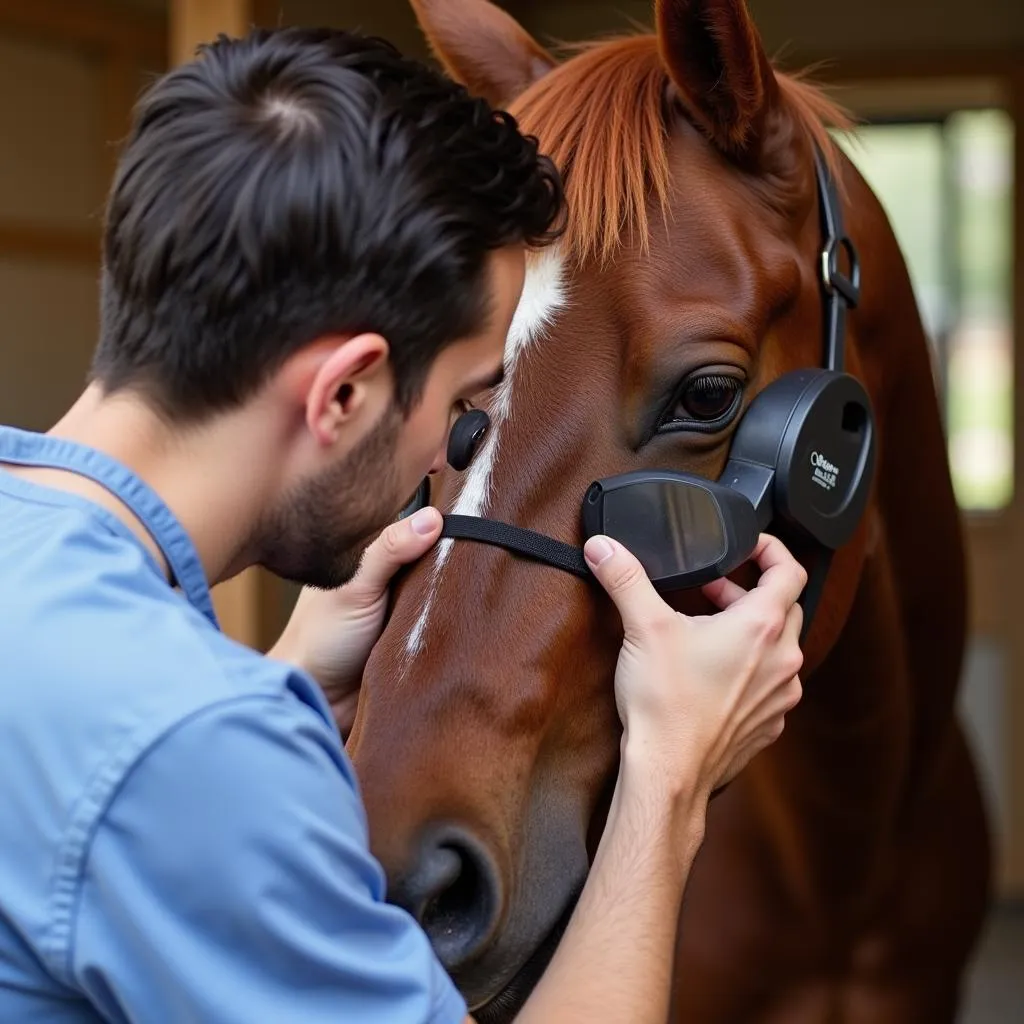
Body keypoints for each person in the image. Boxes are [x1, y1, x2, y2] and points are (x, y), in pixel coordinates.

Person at [0, 25, 806, 1024]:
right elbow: (155, 765)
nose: (447, 462)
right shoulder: (190, 741)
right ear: (343, 395)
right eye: (468, 409)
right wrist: (671, 774)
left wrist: (285, 675)